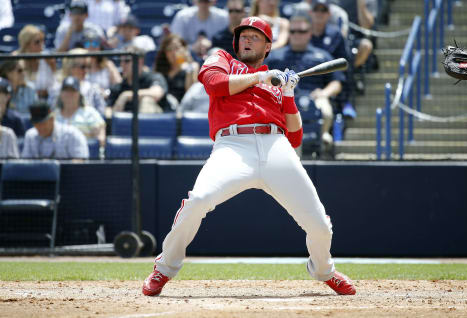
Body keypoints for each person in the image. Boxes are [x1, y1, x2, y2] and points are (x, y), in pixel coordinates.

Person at [142, 16, 356, 297]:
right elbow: (215, 83)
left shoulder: (276, 82)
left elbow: (295, 137)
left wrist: (287, 93)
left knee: (320, 225)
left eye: (255, 36)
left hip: (275, 145)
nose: (247, 39)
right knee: (199, 201)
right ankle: (164, 268)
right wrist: (259, 77)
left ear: (268, 46)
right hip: (233, 145)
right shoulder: (222, 59)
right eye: (243, 35)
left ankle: (323, 270)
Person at [267, 13, 345, 145]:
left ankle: (323, 135)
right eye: (293, 31)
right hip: (282, 99)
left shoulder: (322, 56)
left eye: (301, 31)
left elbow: (336, 82)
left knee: (325, 109)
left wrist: (324, 93)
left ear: (310, 33)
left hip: (314, 98)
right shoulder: (275, 56)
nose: (297, 35)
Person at [309, 0, 356, 118]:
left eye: (323, 10)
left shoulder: (335, 34)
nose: (319, 13)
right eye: (316, 10)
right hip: (308, 74)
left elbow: (343, 60)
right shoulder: (302, 32)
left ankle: (345, 103)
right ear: (310, 12)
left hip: (330, 75)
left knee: (345, 70)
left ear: (329, 14)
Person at [107, 46, 170, 116]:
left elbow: (157, 93)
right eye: (121, 61)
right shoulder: (118, 87)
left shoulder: (153, 77)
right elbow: (108, 110)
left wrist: (126, 95)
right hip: (125, 125)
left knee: (146, 100)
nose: (122, 64)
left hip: (154, 123)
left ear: (140, 61)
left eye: (127, 61)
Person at [22, 101, 89, 160]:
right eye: (36, 124)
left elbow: (80, 162)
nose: (39, 127)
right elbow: (25, 164)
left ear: (52, 119)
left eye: (42, 123)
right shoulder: (30, 135)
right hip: (37, 174)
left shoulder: (72, 134)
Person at [49, 48, 106, 116]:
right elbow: (53, 113)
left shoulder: (93, 89)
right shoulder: (57, 89)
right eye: (83, 67)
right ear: (71, 67)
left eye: (88, 66)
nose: (86, 70)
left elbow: (101, 114)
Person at [55, 76, 106, 146]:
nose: (69, 94)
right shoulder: (54, 116)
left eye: (73, 90)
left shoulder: (90, 113)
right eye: (66, 90)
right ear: (61, 93)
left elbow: (100, 139)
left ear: (79, 94)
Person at [153, 34, 199, 104]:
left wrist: (189, 64)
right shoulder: (160, 69)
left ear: (184, 49)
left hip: (182, 109)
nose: (173, 52)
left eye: (177, 48)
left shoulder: (192, 67)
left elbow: (190, 95)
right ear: (165, 53)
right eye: (169, 50)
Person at [14, 25, 57, 100]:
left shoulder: (48, 59)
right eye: (37, 42)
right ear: (26, 44)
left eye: (42, 40)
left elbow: (54, 83)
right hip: (22, 102)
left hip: (46, 101)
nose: (42, 45)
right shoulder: (16, 61)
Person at [83, 30, 122, 97]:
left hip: (105, 101)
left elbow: (119, 85)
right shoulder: (79, 65)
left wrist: (106, 93)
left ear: (100, 47)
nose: (91, 47)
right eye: (87, 43)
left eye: (95, 43)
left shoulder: (108, 65)